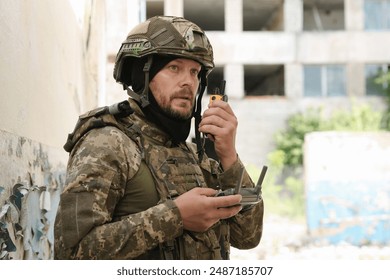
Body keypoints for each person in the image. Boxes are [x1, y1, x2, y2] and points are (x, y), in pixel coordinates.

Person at [54, 15, 264, 260]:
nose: (188, 82)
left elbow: (248, 236)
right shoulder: (108, 142)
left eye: (195, 72)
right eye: (174, 68)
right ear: (141, 77)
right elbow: (71, 254)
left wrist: (228, 155)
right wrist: (175, 217)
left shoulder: (190, 152)